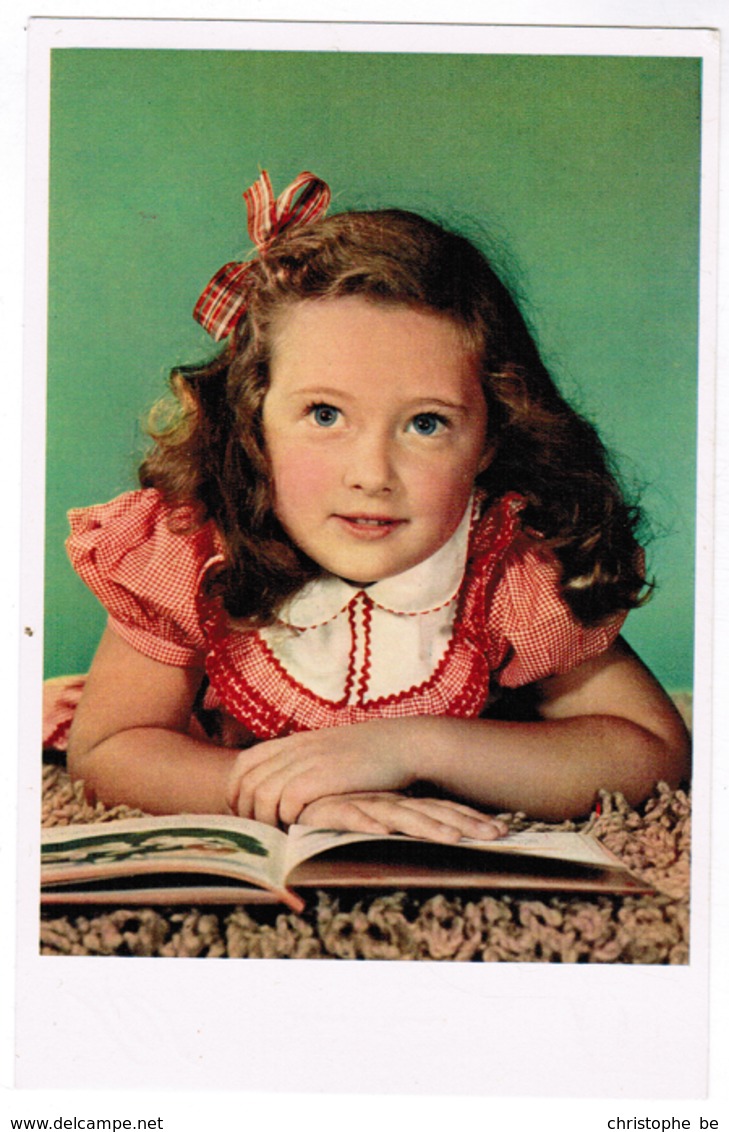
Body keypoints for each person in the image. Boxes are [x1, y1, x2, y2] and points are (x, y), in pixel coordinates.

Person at [60, 170, 690, 842]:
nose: (371, 475)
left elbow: (651, 750)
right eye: (324, 414)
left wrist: (414, 746)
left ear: (488, 439)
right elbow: (108, 749)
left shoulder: (508, 569)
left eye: (425, 424)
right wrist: (285, 797)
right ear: (253, 420)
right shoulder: (189, 550)